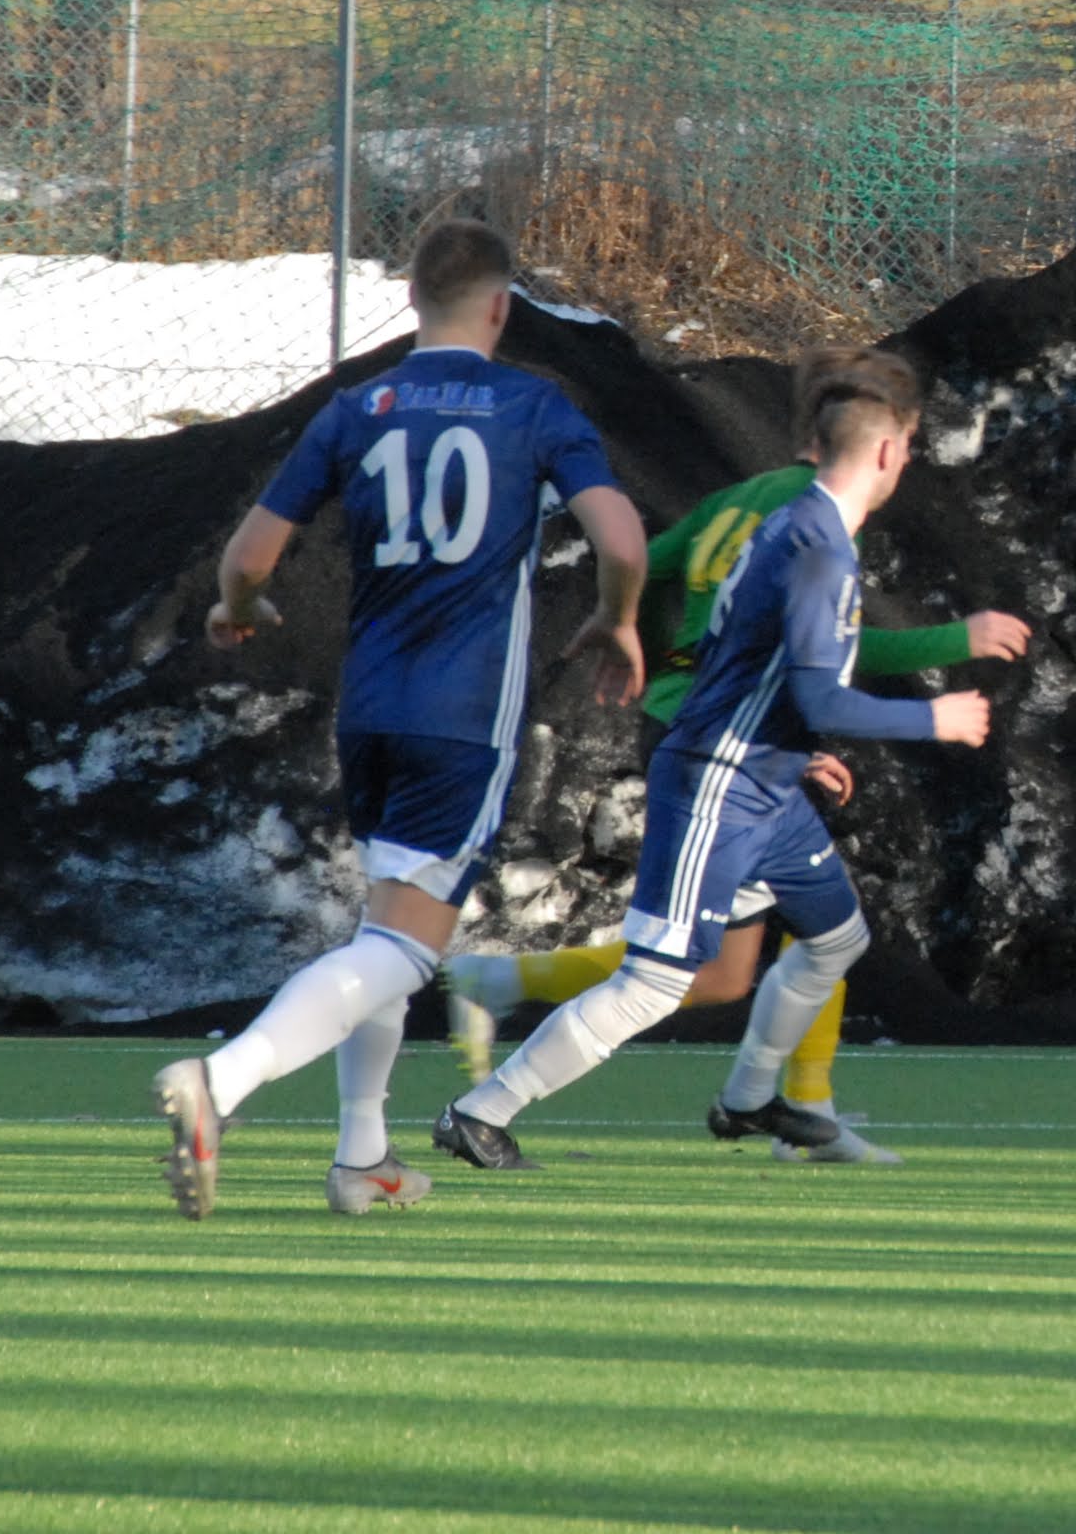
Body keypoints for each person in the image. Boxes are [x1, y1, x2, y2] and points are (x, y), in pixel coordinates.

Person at [155, 219, 648, 1219]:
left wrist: (238, 608)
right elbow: (621, 539)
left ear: (412, 299)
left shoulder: (358, 408)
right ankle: (224, 1079)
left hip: (371, 707)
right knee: (406, 950)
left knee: (382, 925)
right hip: (462, 714)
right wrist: (618, 618)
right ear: (502, 307)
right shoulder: (533, 404)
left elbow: (248, 559)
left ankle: (362, 1156)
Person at [439, 380, 1030, 1165]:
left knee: (836, 939)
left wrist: (784, 743)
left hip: (765, 779)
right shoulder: (818, 551)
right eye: (910, 448)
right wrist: (934, 719)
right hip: (718, 784)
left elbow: (749, 654)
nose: (909, 462)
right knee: (655, 982)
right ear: (887, 452)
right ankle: (480, 1112)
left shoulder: (794, 523)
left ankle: (749, 1100)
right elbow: (822, 693)